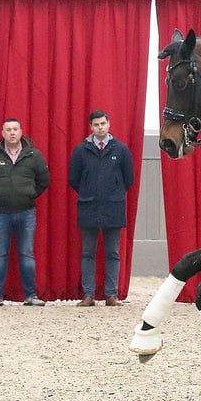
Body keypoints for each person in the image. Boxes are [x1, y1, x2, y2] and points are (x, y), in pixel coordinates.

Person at [0, 118, 50, 306]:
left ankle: (31, 296)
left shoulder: (34, 156)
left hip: (26, 212)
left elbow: (44, 181)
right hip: (0, 213)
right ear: (2, 133)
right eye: (8, 129)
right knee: (0, 254)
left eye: (15, 129)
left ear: (21, 131)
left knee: (27, 253)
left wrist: (30, 195)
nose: (12, 133)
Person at [69, 110, 134, 306]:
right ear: (91, 127)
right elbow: (74, 179)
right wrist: (89, 191)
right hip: (88, 207)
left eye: (103, 124)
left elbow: (128, 179)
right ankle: (88, 294)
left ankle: (111, 294)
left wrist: (113, 193)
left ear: (109, 124)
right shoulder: (81, 150)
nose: (100, 127)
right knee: (88, 252)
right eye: (96, 124)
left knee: (112, 252)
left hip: (113, 208)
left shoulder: (120, 150)